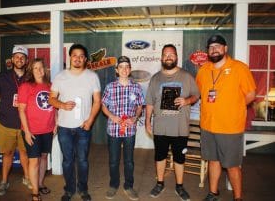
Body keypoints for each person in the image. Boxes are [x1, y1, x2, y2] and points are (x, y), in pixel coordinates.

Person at [196, 35, 256, 201]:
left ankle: (238, 197)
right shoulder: (204, 70)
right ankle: (213, 193)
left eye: (218, 46)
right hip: (208, 125)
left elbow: (251, 93)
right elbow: (201, 92)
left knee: (232, 165)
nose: (214, 49)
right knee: (213, 161)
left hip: (230, 128)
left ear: (225, 48)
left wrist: (235, 108)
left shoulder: (239, 68)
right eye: (211, 47)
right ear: (208, 51)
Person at [145, 44, 200, 201]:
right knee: (160, 157)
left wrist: (187, 100)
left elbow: (196, 95)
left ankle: (179, 186)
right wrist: (147, 122)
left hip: (180, 128)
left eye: (172, 54)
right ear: (161, 58)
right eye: (166, 54)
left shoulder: (187, 76)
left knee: (179, 158)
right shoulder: (155, 79)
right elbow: (149, 102)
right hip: (160, 128)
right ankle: (160, 183)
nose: (169, 57)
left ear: (176, 57)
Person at [49, 43, 101, 201]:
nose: (77, 58)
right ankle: (69, 189)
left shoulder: (92, 76)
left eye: (81, 56)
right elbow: (51, 99)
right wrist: (62, 105)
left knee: (83, 161)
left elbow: (97, 101)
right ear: (70, 57)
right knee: (67, 161)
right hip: (64, 128)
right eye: (74, 55)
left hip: (83, 127)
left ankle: (83, 189)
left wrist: (90, 121)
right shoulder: (60, 76)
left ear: (85, 59)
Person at [101, 56, 145, 201]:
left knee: (129, 161)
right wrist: (112, 116)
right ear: (116, 70)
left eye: (127, 66)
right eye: (121, 66)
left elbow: (140, 106)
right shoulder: (110, 87)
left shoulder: (136, 87)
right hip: (113, 130)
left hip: (130, 131)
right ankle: (113, 185)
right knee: (113, 160)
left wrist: (135, 117)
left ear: (130, 70)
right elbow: (103, 106)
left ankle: (128, 186)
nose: (124, 69)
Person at [0, 45, 32, 196]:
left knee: (25, 153)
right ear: (12, 59)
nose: (19, 59)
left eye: (22, 57)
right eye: (17, 56)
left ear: (26, 60)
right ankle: (4, 181)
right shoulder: (2, 76)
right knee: (7, 154)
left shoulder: (30, 77)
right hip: (6, 123)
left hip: (25, 124)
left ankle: (27, 178)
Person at [18, 58, 56, 201]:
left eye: (41, 68)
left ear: (45, 69)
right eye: (36, 68)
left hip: (48, 129)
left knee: (44, 157)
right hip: (32, 131)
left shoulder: (51, 86)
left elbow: (54, 107)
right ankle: (35, 192)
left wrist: (56, 123)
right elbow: (21, 110)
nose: (39, 71)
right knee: (34, 161)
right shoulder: (26, 87)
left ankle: (40, 184)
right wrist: (27, 131)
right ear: (31, 71)